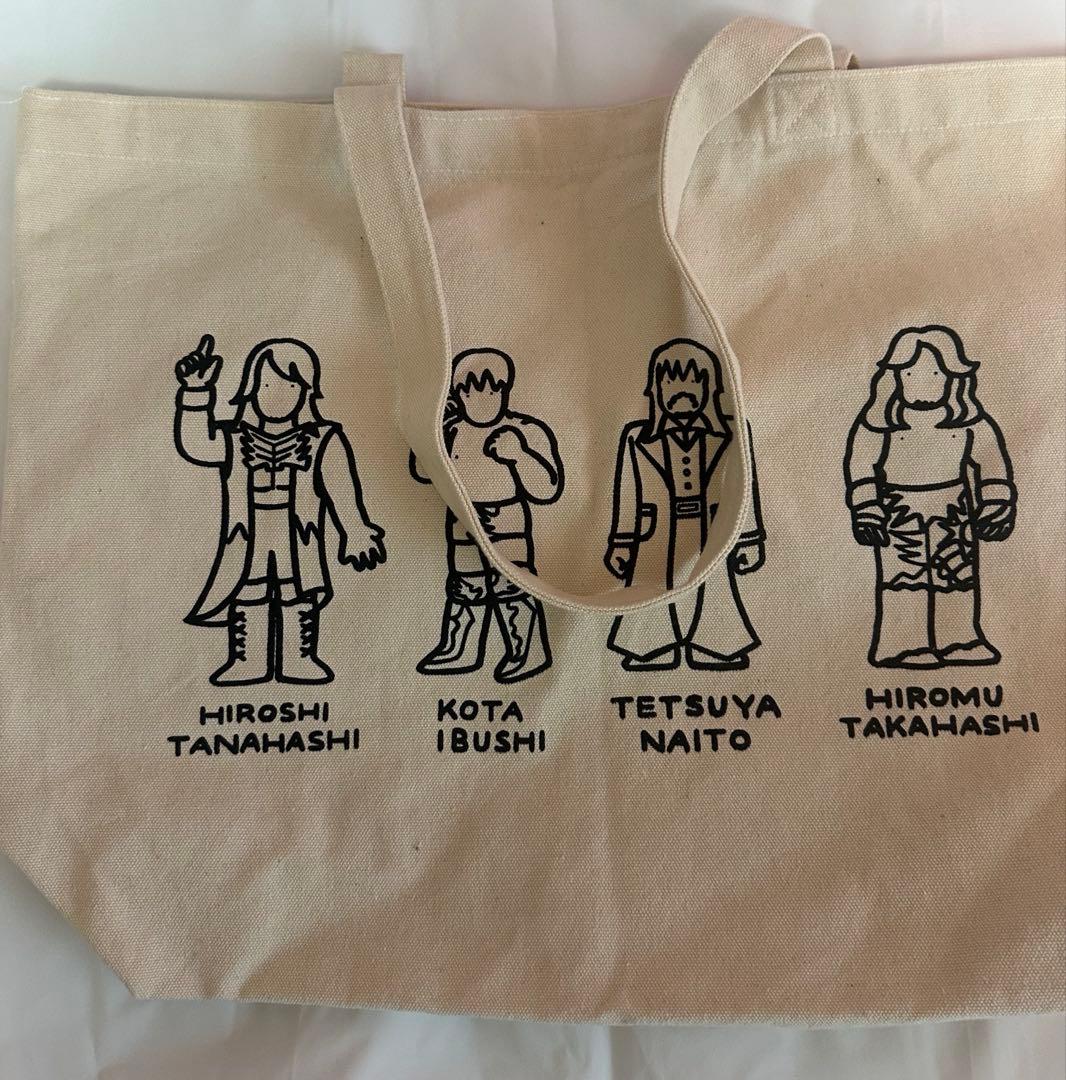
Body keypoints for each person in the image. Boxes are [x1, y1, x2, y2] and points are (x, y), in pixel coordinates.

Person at [174, 334, 385, 685]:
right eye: (268, 384)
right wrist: (195, 391)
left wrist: (355, 529)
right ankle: (247, 661)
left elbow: (341, 488)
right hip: (247, 533)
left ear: (305, 391)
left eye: (290, 385)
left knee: (297, 589)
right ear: (251, 389)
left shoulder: (322, 439)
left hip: (299, 533)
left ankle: (299, 659)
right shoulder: (236, 438)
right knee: (248, 587)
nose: (278, 394)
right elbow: (197, 444)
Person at [844, 324, 1016, 668]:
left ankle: (960, 639)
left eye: (935, 373)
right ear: (895, 377)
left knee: (956, 571)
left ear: (953, 377)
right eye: (911, 373)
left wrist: (996, 501)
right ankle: (902, 644)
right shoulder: (879, 424)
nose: (923, 382)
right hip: (898, 509)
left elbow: (991, 462)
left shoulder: (969, 422)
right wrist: (867, 507)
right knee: (904, 575)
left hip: (954, 507)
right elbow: (860, 464)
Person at [605, 338, 765, 671]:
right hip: (656, 530)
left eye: (694, 383)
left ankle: (716, 644)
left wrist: (749, 538)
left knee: (716, 589)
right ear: (656, 389)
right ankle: (651, 648)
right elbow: (629, 493)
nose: (682, 393)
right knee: (651, 587)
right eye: (671, 383)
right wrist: (622, 541)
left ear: (710, 388)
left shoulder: (733, 431)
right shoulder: (637, 438)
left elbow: (746, 486)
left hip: (715, 524)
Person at [411, 347, 564, 684]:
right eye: (470, 392)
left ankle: (527, 652)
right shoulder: (450, 429)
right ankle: (460, 650)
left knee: (513, 583)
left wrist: (519, 454)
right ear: (457, 395)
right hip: (463, 515)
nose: (481, 400)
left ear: (504, 391)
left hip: (508, 516)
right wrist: (434, 428)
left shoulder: (524, 430)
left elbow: (546, 488)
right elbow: (422, 470)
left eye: (491, 391)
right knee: (466, 586)